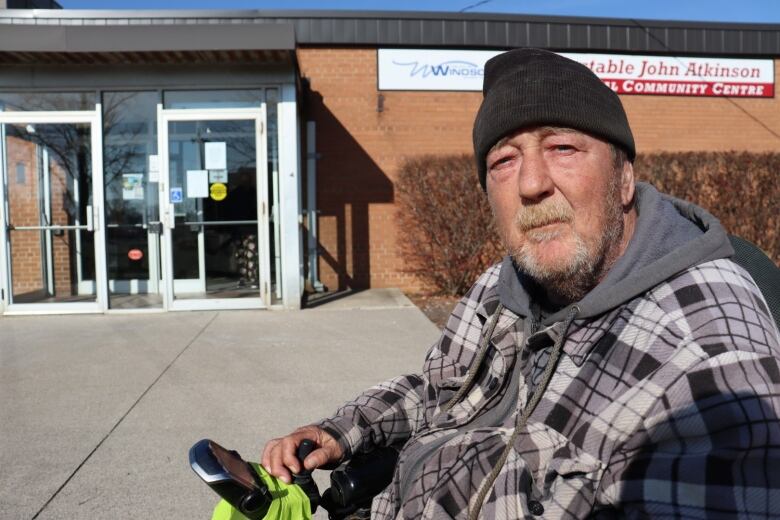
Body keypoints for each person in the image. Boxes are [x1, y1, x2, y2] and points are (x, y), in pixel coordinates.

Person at [262, 49, 780, 518]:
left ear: (624, 179)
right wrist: (341, 431)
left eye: (562, 148)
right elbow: (440, 388)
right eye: (504, 160)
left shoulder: (711, 364)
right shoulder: (505, 282)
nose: (531, 185)